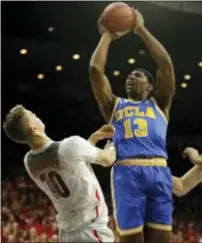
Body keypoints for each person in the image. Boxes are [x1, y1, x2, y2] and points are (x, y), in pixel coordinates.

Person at [89, 8, 175, 243]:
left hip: (159, 170)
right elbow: (95, 70)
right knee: (130, 240)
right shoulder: (113, 105)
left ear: (149, 86)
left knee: (162, 239)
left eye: (137, 75)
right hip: (127, 172)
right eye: (128, 76)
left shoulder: (160, 103)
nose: (130, 77)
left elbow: (166, 65)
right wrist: (107, 35)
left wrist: (140, 29)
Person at [3, 104, 116, 242]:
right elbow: (108, 159)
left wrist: (90, 142)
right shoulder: (72, 145)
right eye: (32, 114)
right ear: (33, 128)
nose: (35, 114)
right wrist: (115, 143)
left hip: (68, 233)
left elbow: (70, 165)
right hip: (92, 232)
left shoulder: (30, 162)